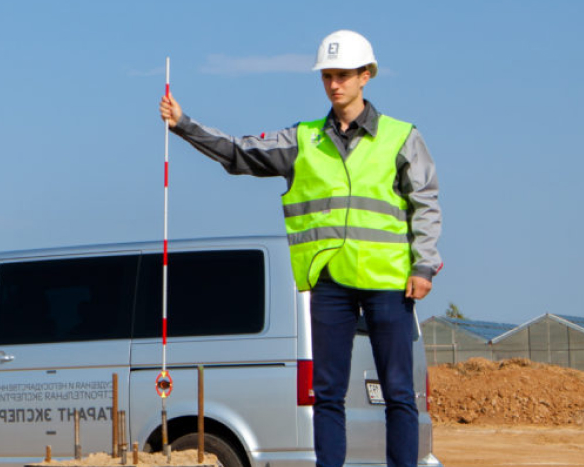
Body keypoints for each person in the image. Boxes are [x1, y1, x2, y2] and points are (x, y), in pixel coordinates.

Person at [158, 30, 441, 467]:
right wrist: (185, 125)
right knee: (327, 394)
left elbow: (425, 202)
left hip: (389, 283)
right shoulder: (302, 139)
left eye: (344, 75)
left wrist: (422, 267)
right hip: (328, 282)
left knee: (399, 393)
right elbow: (240, 154)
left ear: (366, 76)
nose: (334, 84)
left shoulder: (402, 137)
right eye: (328, 75)